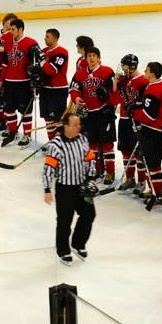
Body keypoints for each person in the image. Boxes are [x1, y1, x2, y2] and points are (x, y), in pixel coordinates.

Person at [42, 112, 98, 265]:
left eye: (79, 124)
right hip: (65, 189)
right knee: (64, 221)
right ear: (65, 126)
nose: (78, 127)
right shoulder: (55, 145)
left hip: (82, 186)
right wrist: (47, 189)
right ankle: (63, 250)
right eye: (75, 125)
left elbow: (90, 158)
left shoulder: (82, 139)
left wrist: (91, 178)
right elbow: (48, 169)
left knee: (89, 214)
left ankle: (78, 244)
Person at [69, 46, 117, 185]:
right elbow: (74, 89)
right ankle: (95, 170)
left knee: (107, 145)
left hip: (104, 113)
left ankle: (110, 171)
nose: (91, 58)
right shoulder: (79, 74)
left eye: (94, 56)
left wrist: (111, 103)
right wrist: (76, 98)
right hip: (89, 114)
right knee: (92, 144)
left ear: (98, 58)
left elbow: (114, 92)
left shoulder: (107, 72)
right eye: (89, 56)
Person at [130, 61, 162, 209]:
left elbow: (150, 116)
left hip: (153, 131)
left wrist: (134, 112)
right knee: (152, 164)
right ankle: (153, 190)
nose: (144, 71)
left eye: (147, 70)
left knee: (153, 165)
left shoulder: (152, 89)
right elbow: (154, 106)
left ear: (152, 73)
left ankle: (158, 195)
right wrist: (138, 105)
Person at [0, 17, 40, 147]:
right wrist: (1, 80)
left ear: (20, 29)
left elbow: (37, 63)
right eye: (9, 29)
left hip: (23, 82)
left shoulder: (31, 43)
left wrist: (34, 82)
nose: (10, 32)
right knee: (8, 109)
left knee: (25, 111)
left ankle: (27, 135)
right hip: (9, 82)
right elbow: (5, 63)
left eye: (13, 29)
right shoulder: (8, 43)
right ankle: (13, 132)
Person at [112, 53, 148, 194]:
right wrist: (116, 80)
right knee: (126, 150)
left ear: (133, 67)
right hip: (123, 119)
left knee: (138, 153)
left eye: (125, 67)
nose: (123, 69)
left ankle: (142, 181)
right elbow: (115, 93)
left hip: (136, 121)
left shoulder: (143, 82)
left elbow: (145, 104)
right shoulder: (123, 80)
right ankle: (130, 179)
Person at [37, 28, 70, 141]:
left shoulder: (62, 52)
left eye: (47, 37)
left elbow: (51, 70)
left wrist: (41, 60)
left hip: (58, 90)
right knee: (47, 118)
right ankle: (52, 142)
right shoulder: (44, 50)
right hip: (45, 89)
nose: (45, 39)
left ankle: (61, 144)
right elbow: (38, 69)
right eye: (45, 36)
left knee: (58, 120)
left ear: (55, 38)